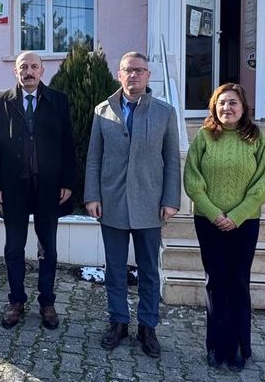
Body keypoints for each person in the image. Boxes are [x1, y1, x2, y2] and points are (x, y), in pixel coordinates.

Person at [84, 51, 181, 358]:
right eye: (128, 70)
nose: (134, 75)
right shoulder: (103, 111)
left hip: (149, 204)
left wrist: (171, 199)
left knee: (149, 270)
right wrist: (92, 195)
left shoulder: (164, 112)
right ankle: (118, 322)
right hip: (112, 202)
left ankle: (147, 326)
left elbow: (172, 160)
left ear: (148, 75)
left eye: (139, 70)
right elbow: (94, 158)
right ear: (120, 74)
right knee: (114, 269)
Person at [183, 83, 265, 371]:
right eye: (221, 102)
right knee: (215, 282)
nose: (227, 108)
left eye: (233, 102)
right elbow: (192, 179)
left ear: (243, 107)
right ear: (214, 106)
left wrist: (236, 215)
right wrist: (214, 213)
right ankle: (216, 346)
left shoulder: (256, 138)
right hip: (208, 222)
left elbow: (263, 183)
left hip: (244, 223)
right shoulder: (204, 137)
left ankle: (238, 347)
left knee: (238, 283)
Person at [0, 51, 75, 330]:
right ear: (15, 71)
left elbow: (68, 143)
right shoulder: (2, 101)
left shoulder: (58, 100)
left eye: (34, 66)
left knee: (48, 249)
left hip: (49, 187)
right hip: (14, 186)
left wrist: (68, 182)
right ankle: (16, 301)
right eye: (23, 67)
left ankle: (47, 302)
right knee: (14, 247)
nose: (29, 72)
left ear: (42, 71)